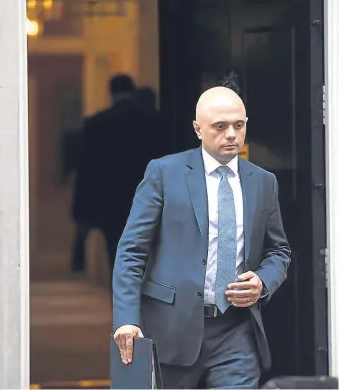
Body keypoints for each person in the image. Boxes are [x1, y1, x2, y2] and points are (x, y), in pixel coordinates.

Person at [112, 86, 291, 388]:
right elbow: (132, 251)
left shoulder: (263, 182)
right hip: (172, 329)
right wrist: (127, 318)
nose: (231, 134)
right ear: (198, 129)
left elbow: (279, 251)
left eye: (239, 125)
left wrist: (262, 282)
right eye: (220, 127)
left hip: (236, 330)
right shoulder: (164, 173)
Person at [71, 74, 159, 283]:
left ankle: (124, 309)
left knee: (117, 257)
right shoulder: (153, 121)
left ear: (110, 93)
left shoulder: (96, 124)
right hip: (148, 200)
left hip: (110, 203)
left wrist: (81, 211)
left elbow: (87, 170)